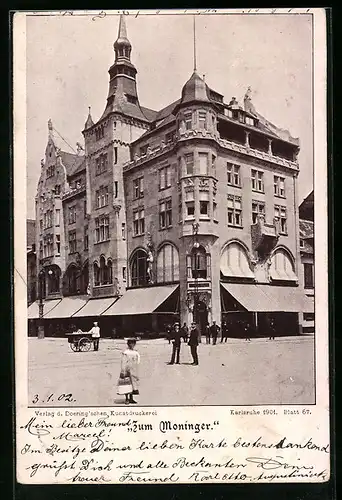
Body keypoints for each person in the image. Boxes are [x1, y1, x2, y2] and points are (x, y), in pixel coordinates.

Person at [118, 338, 140, 405]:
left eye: (133, 344)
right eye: (130, 344)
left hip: (133, 370)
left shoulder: (136, 352)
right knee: (126, 384)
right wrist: (123, 370)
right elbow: (123, 362)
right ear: (128, 344)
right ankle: (127, 399)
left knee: (133, 385)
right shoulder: (125, 352)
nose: (132, 345)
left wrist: (136, 370)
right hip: (127, 370)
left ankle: (131, 398)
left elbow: (138, 361)